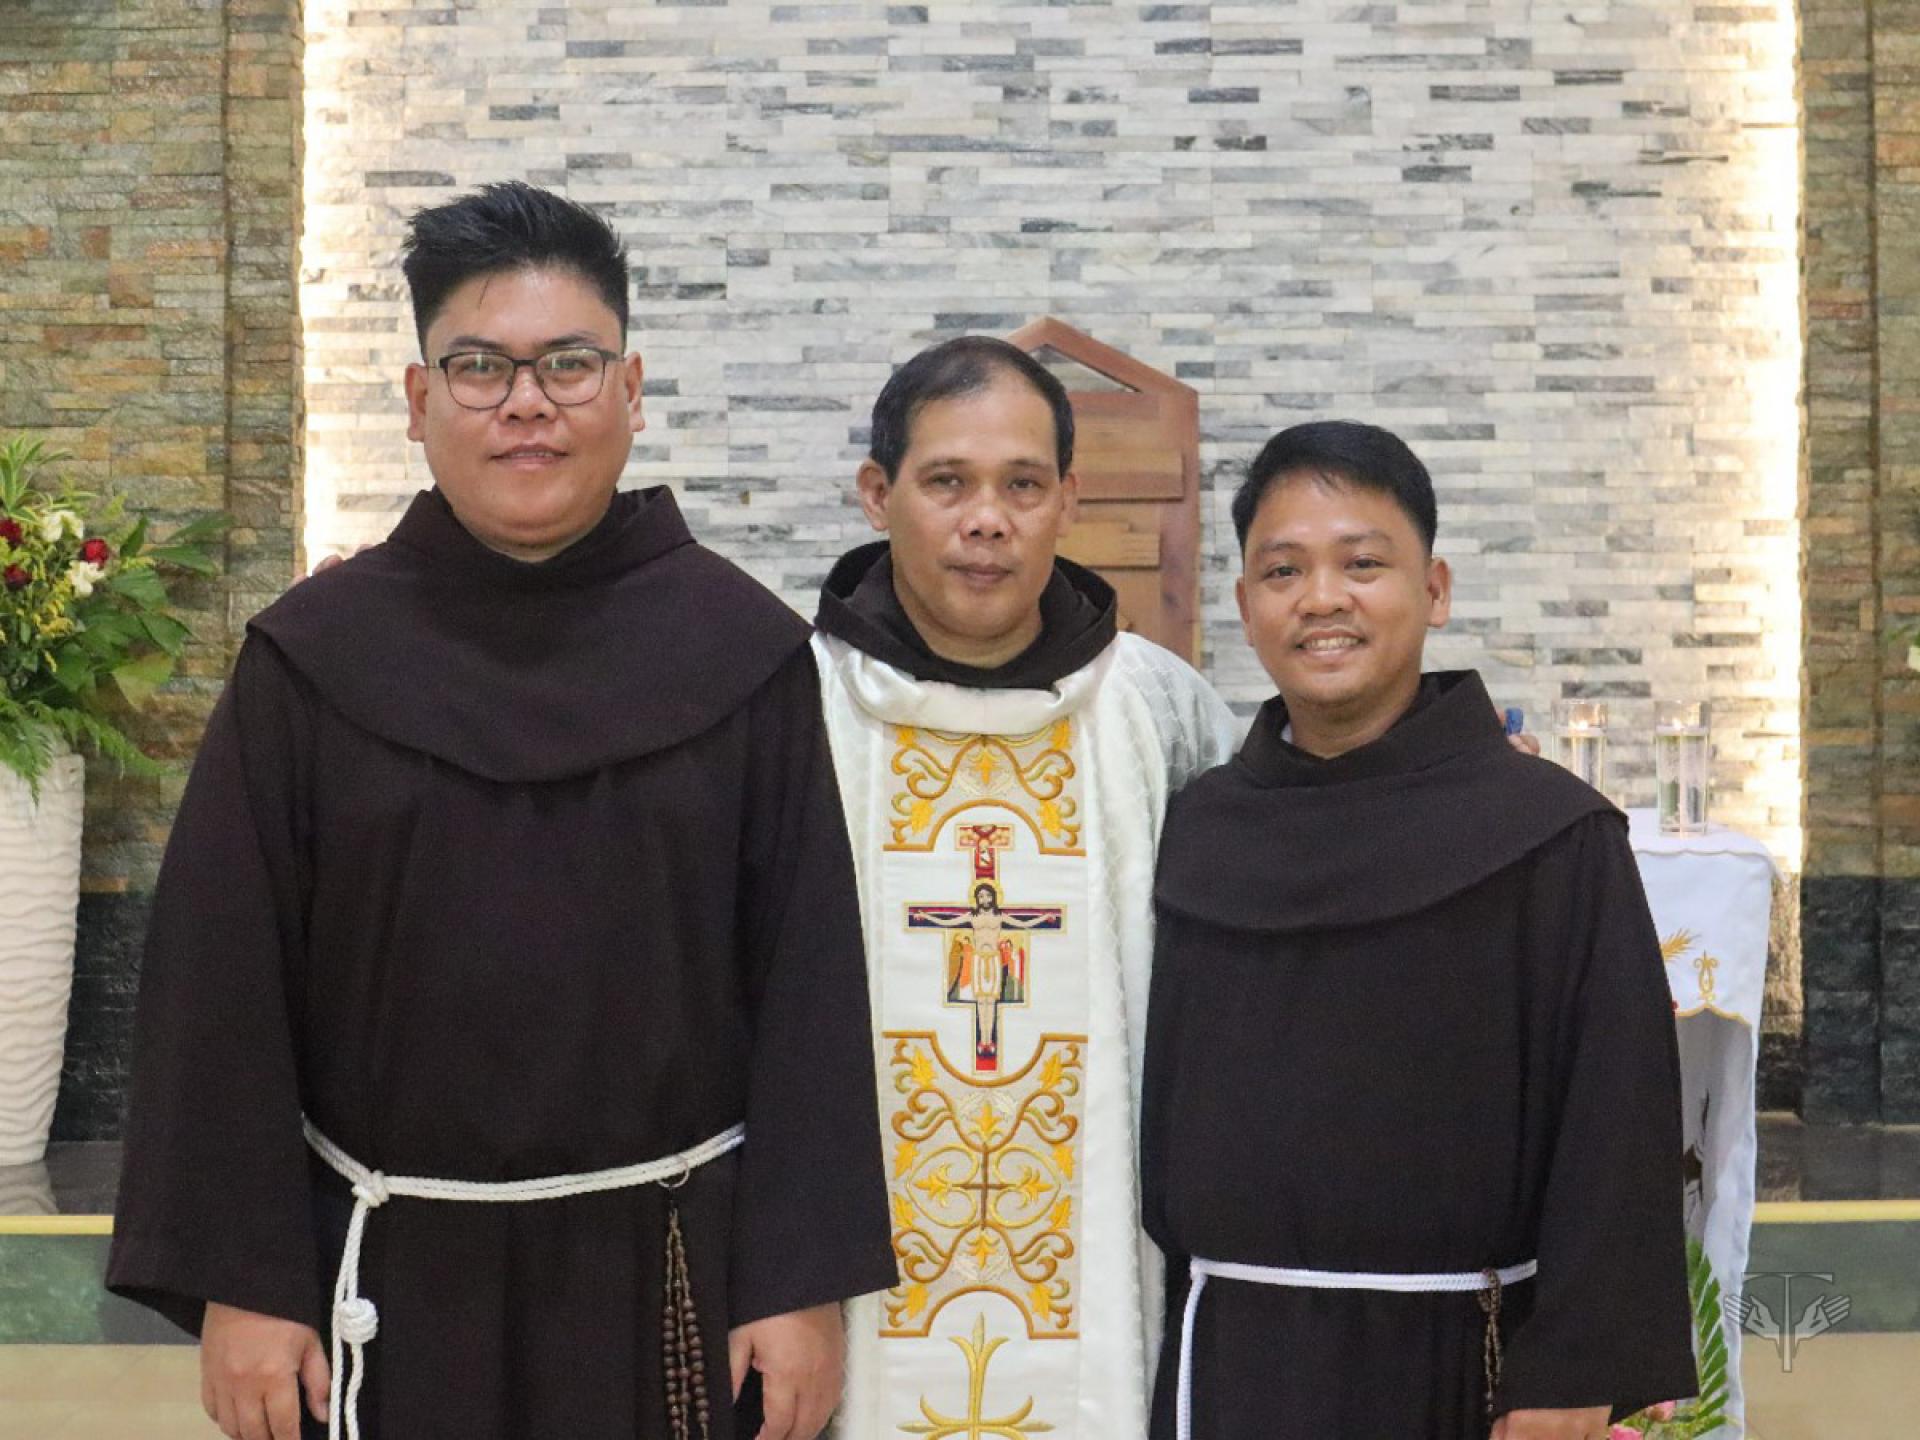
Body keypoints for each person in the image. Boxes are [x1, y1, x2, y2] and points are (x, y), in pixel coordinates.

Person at [106, 182, 896, 1440]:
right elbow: (219, 989)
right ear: (419, 401)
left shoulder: (741, 653)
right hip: (381, 1282)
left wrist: (800, 1280)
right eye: (480, 367)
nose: (527, 402)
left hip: (673, 1276)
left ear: (631, 390)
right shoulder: (313, 659)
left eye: (567, 364)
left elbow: (809, 988)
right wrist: (244, 1284)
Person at [1141, 421, 1697, 1440]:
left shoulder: (1549, 833)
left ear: (1433, 590)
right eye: (1283, 571)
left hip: (1464, 1356)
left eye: (1362, 564)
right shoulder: (1198, 830)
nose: (1321, 599)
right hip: (1225, 1354)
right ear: (1245, 607)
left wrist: (1573, 1372)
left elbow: (1617, 1117)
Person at [810, 337, 1241, 1440]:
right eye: (948, 482)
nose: (987, 520)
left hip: (1111, 1258)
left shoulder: (1159, 711)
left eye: (1023, 486)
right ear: (878, 495)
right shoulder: (798, 709)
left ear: (1069, 502)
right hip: (844, 1283)